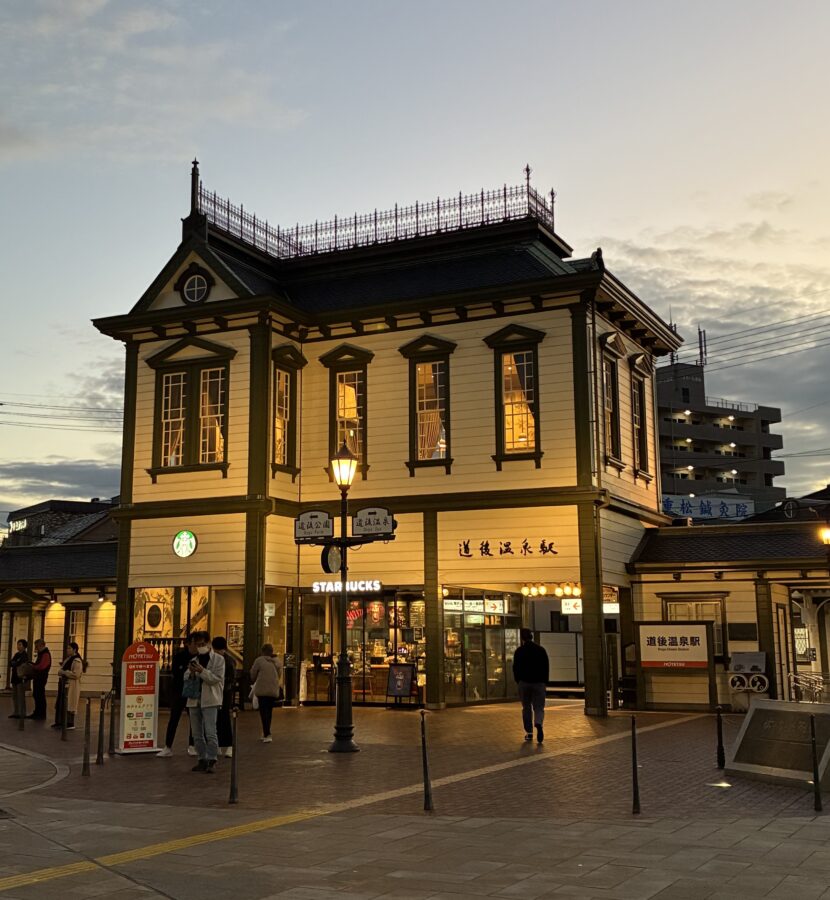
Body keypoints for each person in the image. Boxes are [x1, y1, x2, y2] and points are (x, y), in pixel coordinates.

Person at [183, 631, 224, 774]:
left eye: (202, 644)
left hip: (211, 700)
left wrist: (202, 671)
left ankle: (212, 759)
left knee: (210, 731)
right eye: (197, 644)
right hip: (194, 699)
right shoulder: (194, 659)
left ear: (208, 643)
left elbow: (215, 679)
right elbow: (186, 678)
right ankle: (201, 759)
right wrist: (192, 672)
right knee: (196, 733)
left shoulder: (219, 660)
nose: (200, 647)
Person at [157, 634, 198, 757]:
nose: (197, 647)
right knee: (174, 718)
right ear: (188, 644)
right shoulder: (179, 656)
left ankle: (192, 745)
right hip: (179, 692)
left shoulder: (200, 658)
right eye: (195, 643)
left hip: (193, 692)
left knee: (194, 719)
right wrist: (187, 671)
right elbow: (176, 672)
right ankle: (168, 746)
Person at [512, 628, 549, 744]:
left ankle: (529, 732)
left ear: (522, 638)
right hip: (538, 683)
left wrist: (518, 680)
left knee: (526, 707)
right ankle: (538, 723)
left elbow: (515, 668)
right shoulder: (541, 650)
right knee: (538, 707)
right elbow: (546, 667)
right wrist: (544, 681)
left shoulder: (519, 651)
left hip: (524, 683)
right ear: (531, 636)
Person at [249, 643, 283, 743]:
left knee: (263, 712)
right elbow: (279, 675)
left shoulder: (259, 660)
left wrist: (254, 680)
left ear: (262, 651)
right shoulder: (277, 662)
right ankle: (266, 732)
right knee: (269, 712)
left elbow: (253, 673)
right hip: (273, 689)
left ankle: (267, 733)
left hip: (262, 689)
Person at [211, 636, 236, 758]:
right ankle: (220, 746)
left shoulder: (227, 661)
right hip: (221, 693)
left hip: (223, 694)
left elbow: (230, 679)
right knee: (218, 720)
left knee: (224, 719)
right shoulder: (227, 660)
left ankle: (228, 746)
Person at [52, 642, 84, 730]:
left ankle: (70, 722)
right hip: (63, 683)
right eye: (67, 648)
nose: (67, 650)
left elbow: (76, 674)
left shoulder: (77, 660)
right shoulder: (68, 659)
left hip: (72, 685)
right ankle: (60, 721)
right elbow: (62, 668)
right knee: (62, 702)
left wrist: (64, 673)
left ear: (74, 649)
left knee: (70, 703)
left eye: (69, 648)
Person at [28, 639, 52, 720]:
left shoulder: (45, 654)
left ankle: (41, 714)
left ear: (42, 645)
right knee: (36, 695)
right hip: (38, 677)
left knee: (39, 695)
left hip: (41, 677)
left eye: (37, 646)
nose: (36, 648)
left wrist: (33, 666)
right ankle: (37, 712)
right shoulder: (41, 654)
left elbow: (42, 666)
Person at [9, 639, 30, 719]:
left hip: (20, 677)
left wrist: (15, 663)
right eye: (18, 644)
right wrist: (14, 663)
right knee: (15, 695)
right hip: (14, 676)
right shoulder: (17, 654)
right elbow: (11, 662)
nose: (18, 646)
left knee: (20, 696)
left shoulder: (24, 655)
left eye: (20, 645)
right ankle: (16, 711)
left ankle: (22, 712)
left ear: (24, 646)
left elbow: (20, 664)